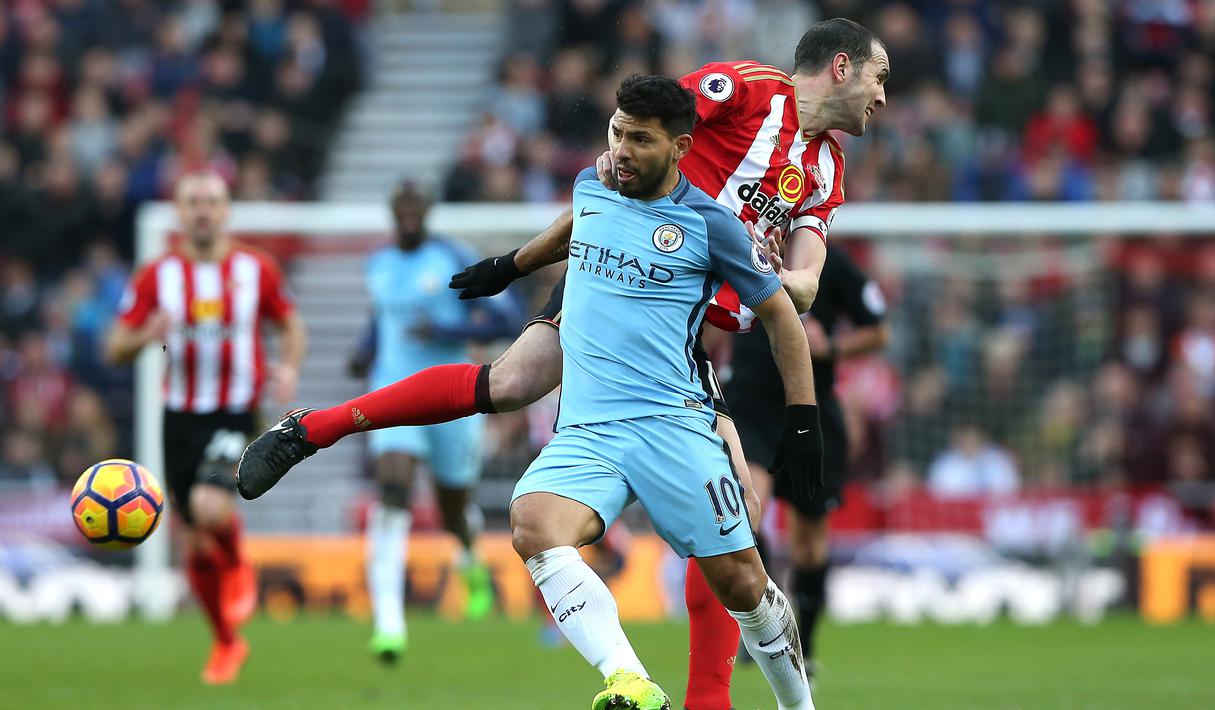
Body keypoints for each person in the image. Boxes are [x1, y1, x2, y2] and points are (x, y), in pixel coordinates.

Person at [238, 18, 889, 709]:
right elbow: (619, 162)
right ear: (842, 68)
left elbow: (809, 267)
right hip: (624, 281)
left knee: (727, 528)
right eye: (881, 78)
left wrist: (794, 286)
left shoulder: (824, 168)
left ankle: (713, 693)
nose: (884, 98)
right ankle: (313, 429)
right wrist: (513, 263)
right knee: (515, 382)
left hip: (689, 331)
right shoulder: (749, 91)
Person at [514, 75, 821, 710]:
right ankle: (630, 683)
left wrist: (802, 419)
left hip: (674, 424)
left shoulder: (711, 226)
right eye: (617, 133)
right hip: (592, 429)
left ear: (681, 147)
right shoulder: (591, 185)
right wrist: (508, 268)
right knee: (534, 524)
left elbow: (782, 316)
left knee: (744, 587)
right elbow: (564, 233)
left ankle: (799, 705)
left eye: (641, 140)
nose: (621, 149)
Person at [105, 171, 307, 685]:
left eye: (211, 202)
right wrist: (145, 336)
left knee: (208, 507)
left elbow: (290, 323)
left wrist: (288, 366)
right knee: (193, 541)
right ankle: (225, 642)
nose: (202, 211)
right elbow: (115, 347)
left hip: (236, 411)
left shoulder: (254, 269)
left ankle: (238, 559)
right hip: (179, 417)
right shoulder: (158, 276)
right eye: (193, 202)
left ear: (225, 211)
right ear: (179, 211)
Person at [352, 180, 520, 663]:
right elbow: (382, 321)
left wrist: (447, 329)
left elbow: (507, 319)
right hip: (392, 396)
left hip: (450, 397)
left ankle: (468, 559)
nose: (407, 212)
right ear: (392, 210)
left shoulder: (453, 258)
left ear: (427, 210)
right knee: (393, 489)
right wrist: (364, 353)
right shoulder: (378, 263)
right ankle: (389, 624)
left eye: (415, 205)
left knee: (452, 510)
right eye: (399, 205)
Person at [725, 243, 890, 680]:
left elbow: (878, 331)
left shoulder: (831, 264)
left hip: (809, 410)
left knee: (808, 544)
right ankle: (762, 630)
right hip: (750, 406)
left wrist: (831, 346)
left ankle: (805, 647)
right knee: (745, 511)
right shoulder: (737, 240)